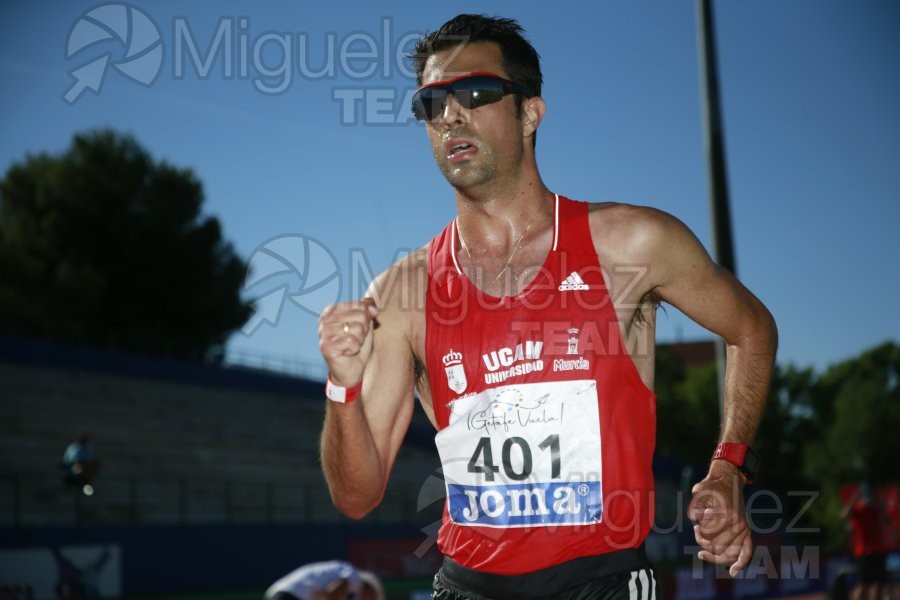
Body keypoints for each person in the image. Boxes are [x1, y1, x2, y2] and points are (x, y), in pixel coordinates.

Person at [318, 14, 778, 600]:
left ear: (530, 113)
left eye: (475, 92)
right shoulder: (401, 293)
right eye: (432, 103)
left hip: (602, 584)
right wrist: (341, 388)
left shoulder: (630, 245)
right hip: (466, 587)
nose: (450, 114)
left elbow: (751, 328)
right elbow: (356, 497)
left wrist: (729, 467)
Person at [841, 483, 892, 600]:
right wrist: (853, 500)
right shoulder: (857, 509)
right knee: (863, 584)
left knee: (879, 584)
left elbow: (887, 522)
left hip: (878, 550)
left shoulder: (876, 509)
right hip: (864, 551)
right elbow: (844, 515)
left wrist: (882, 509)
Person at [264, 560, 384, 600]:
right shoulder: (355, 579)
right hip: (291, 596)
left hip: (279, 593)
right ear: (369, 589)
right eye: (373, 597)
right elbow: (334, 590)